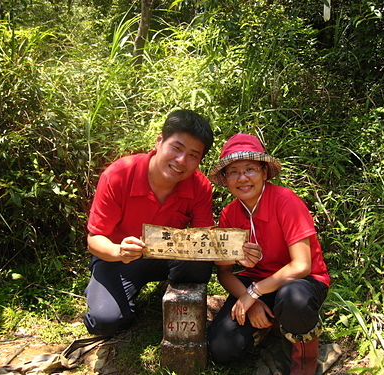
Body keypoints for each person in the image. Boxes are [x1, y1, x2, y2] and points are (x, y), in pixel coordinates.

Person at [83, 110, 260, 337]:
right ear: (159, 141)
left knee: (198, 264)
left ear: (200, 161)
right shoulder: (119, 175)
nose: (181, 161)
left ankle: (181, 302)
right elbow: (95, 240)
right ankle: (102, 288)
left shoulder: (200, 187)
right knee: (105, 321)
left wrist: (235, 254)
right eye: (176, 148)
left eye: (193, 155)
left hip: (166, 256)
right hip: (117, 257)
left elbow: (204, 242)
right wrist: (119, 251)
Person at [207, 134, 330, 375]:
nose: (242, 178)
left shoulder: (286, 202)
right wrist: (249, 301)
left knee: (293, 297)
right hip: (256, 282)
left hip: (301, 283)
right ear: (225, 179)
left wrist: (253, 293)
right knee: (221, 348)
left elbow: (302, 266)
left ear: (264, 172)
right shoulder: (230, 214)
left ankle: (304, 361)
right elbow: (224, 271)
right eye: (233, 172)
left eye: (250, 169)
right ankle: (273, 324)